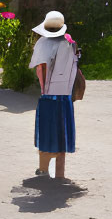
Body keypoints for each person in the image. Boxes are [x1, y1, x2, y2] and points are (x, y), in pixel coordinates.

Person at [30, 10, 78, 180]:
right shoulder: (70, 43)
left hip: (49, 98)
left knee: (47, 135)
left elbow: (40, 69)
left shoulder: (42, 44)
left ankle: (43, 169)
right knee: (61, 135)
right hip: (65, 97)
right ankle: (60, 174)